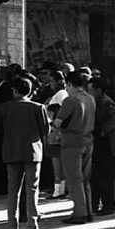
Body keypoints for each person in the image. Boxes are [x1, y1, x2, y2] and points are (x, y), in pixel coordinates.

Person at [0, 77, 50, 229]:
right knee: (32, 190)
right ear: (30, 91)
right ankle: (32, 226)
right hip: (32, 152)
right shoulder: (38, 108)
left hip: (11, 152)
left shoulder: (2, 108)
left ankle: (12, 227)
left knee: (13, 191)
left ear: (14, 90)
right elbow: (45, 130)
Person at [54, 71, 96, 225]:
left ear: (69, 84)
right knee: (85, 179)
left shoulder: (70, 100)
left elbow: (58, 122)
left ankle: (79, 213)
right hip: (88, 140)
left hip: (71, 142)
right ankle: (88, 210)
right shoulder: (90, 98)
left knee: (74, 179)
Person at [88, 78, 115, 216]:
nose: (89, 92)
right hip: (98, 143)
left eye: (91, 89)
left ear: (98, 90)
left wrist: (104, 130)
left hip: (106, 144)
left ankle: (108, 205)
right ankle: (95, 204)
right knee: (96, 175)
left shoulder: (107, 102)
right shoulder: (95, 102)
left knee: (105, 176)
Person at [45, 71, 69, 199]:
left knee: (57, 161)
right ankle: (60, 188)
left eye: (52, 81)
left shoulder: (61, 94)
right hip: (55, 130)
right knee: (58, 161)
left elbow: (63, 110)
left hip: (56, 131)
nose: (50, 84)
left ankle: (58, 189)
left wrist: (56, 122)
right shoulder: (59, 94)